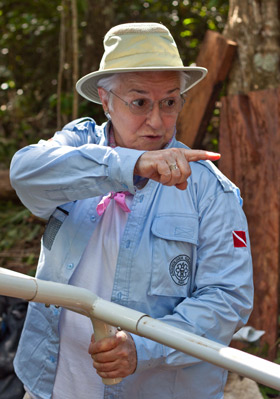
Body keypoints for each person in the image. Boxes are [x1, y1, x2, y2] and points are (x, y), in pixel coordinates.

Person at [10, 22, 253, 399]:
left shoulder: (208, 190)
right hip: (48, 383)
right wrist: (133, 164)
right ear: (106, 100)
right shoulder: (79, 147)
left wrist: (143, 349)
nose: (157, 121)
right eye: (139, 102)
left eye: (170, 102)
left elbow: (228, 298)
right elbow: (25, 173)